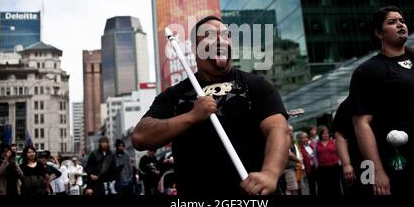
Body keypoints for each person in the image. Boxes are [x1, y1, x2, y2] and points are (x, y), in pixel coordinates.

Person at [132, 16, 290, 196]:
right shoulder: (174, 96)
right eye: (210, 35)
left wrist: (270, 173)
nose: (220, 40)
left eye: (226, 35)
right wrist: (191, 116)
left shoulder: (256, 86)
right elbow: (140, 137)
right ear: (194, 49)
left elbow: (278, 129)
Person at [349, 6, 414, 196]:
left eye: (401, 20)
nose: (400, 24)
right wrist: (376, 171)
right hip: (406, 160)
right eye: (392, 22)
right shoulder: (367, 71)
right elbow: (362, 124)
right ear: (378, 33)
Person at [314, 126, 342, 196]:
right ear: (320, 135)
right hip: (322, 169)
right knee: (324, 188)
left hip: (334, 168)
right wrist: (317, 166)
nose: (326, 135)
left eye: (327, 133)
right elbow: (315, 156)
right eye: (324, 134)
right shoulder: (316, 143)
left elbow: (339, 152)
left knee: (336, 187)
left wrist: (339, 162)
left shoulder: (333, 142)